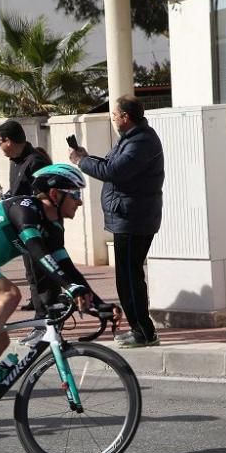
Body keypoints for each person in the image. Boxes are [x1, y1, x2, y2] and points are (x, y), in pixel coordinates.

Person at [0, 164, 112, 395]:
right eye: (75, 194)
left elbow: (67, 270)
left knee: (0, 341)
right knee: (9, 294)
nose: (80, 202)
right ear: (55, 195)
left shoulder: (53, 226)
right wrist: (70, 288)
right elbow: (38, 253)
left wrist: (99, 305)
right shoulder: (24, 208)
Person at [70, 94, 164, 348]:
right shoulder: (132, 140)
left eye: (114, 116)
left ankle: (143, 331)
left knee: (130, 278)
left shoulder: (141, 142)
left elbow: (114, 172)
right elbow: (112, 165)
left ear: (126, 117)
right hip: (127, 216)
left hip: (133, 218)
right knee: (127, 276)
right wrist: (88, 158)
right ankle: (141, 329)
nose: (113, 120)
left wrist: (82, 162)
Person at [0, 119, 52, 314]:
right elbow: (18, 190)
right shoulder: (16, 162)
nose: (0, 147)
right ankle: (39, 309)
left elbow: (44, 194)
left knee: (42, 272)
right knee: (32, 273)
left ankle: (45, 317)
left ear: (8, 141)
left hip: (39, 227)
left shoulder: (35, 161)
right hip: (23, 226)